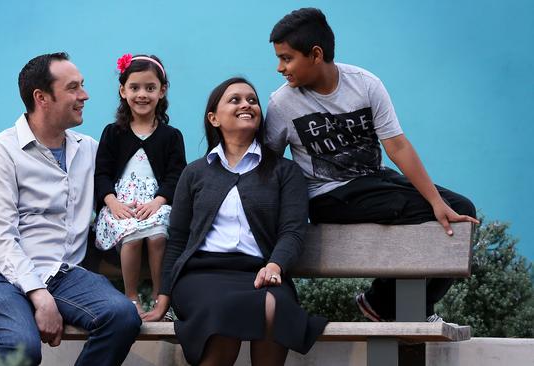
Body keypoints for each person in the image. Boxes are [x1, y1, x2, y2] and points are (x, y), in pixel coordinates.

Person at [265, 8, 480, 322]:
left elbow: (397, 145)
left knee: (461, 209)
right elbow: (268, 166)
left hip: (375, 182)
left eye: (286, 58)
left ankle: (386, 302)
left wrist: (437, 201)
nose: (279, 68)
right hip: (329, 196)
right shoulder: (283, 103)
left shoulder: (365, 85)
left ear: (315, 54)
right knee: (411, 210)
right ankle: (398, 307)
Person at [0, 52, 141, 366]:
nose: (84, 95)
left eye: (82, 86)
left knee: (122, 316)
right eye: (74, 88)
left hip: (62, 276)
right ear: (41, 97)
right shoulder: (1, 153)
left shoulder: (88, 150)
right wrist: (39, 294)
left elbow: (136, 175)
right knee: (19, 349)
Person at [143, 77, 327, 365]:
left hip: (262, 273)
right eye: (235, 99)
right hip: (201, 276)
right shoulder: (195, 173)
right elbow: (177, 239)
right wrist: (163, 298)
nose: (246, 105)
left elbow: (292, 230)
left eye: (252, 100)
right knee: (224, 308)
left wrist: (274, 265)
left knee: (273, 306)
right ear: (213, 118)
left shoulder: (284, 171)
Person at [94, 54, 186, 315]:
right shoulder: (113, 133)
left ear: (162, 90)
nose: (142, 94)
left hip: (157, 202)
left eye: (150, 87)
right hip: (120, 205)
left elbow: (176, 175)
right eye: (134, 88)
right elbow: (101, 174)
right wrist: (112, 203)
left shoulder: (171, 136)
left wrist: (158, 201)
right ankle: (131, 297)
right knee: (131, 235)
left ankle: (160, 298)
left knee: (158, 235)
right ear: (123, 91)